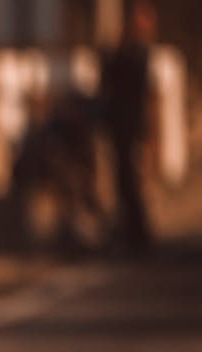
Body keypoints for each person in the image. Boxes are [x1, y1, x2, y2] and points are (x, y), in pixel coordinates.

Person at [98, 0, 159, 255]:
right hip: (121, 125)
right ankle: (133, 233)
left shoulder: (139, 53)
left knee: (130, 181)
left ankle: (138, 234)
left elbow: (141, 94)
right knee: (124, 180)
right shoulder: (129, 50)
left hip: (130, 127)